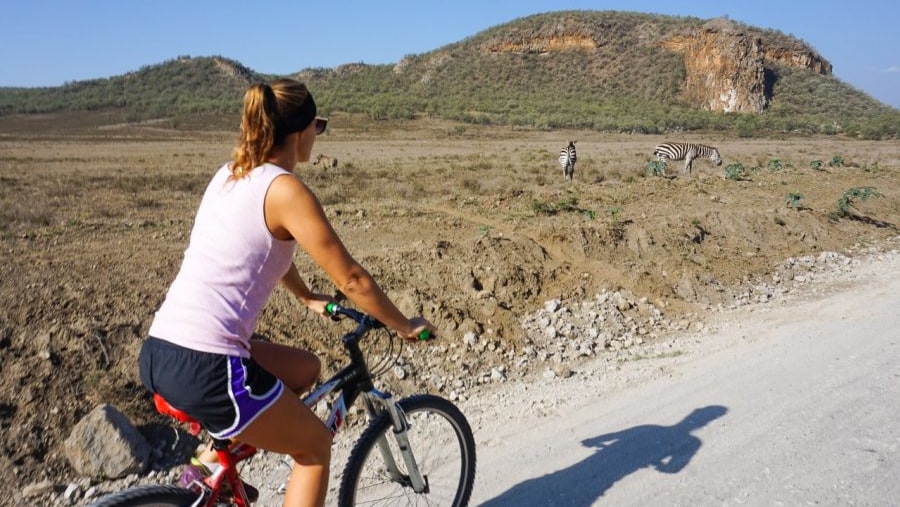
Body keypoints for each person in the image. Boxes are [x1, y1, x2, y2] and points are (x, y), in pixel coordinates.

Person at [138, 78, 435, 507]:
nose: (319, 134)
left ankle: (213, 465)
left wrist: (305, 296)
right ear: (299, 132)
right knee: (314, 446)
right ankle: (221, 455)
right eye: (319, 125)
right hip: (209, 366)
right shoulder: (286, 189)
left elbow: (268, 249)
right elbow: (352, 279)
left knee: (305, 369)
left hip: (161, 350)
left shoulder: (230, 174)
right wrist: (404, 324)